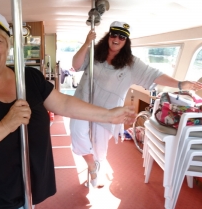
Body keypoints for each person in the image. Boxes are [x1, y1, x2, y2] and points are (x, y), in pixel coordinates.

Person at [0, 9, 136, 209]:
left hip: (31, 185)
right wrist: (5, 125)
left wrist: (108, 115)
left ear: (7, 45)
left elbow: (64, 104)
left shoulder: (29, 78)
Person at [70, 21, 202, 188]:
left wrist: (180, 84)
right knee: (77, 132)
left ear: (127, 41)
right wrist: (87, 42)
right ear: (108, 36)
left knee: (99, 146)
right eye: (114, 34)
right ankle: (91, 164)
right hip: (83, 104)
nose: (117, 39)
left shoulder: (131, 63)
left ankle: (97, 168)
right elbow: (75, 65)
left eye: (122, 37)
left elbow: (155, 75)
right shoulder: (94, 53)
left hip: (108, 111)